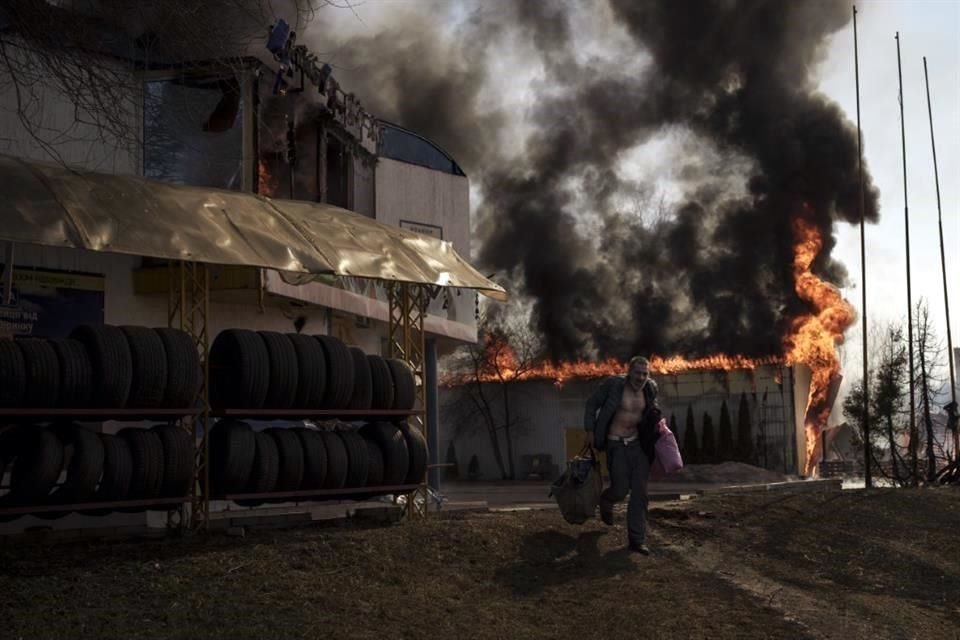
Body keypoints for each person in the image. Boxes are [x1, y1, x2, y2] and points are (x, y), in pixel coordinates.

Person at [583, 356, 661, 555]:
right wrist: (590, 431)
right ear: (629, 372)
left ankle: (637, 540)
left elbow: (652, 412)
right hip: (615, 444)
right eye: (637, 373)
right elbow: (591, 404)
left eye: (645, 373)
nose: (641, 377)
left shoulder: (650, 389)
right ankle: (607, 500)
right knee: (620, 489)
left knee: (640, 492)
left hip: (638, 445)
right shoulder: (614, 385)